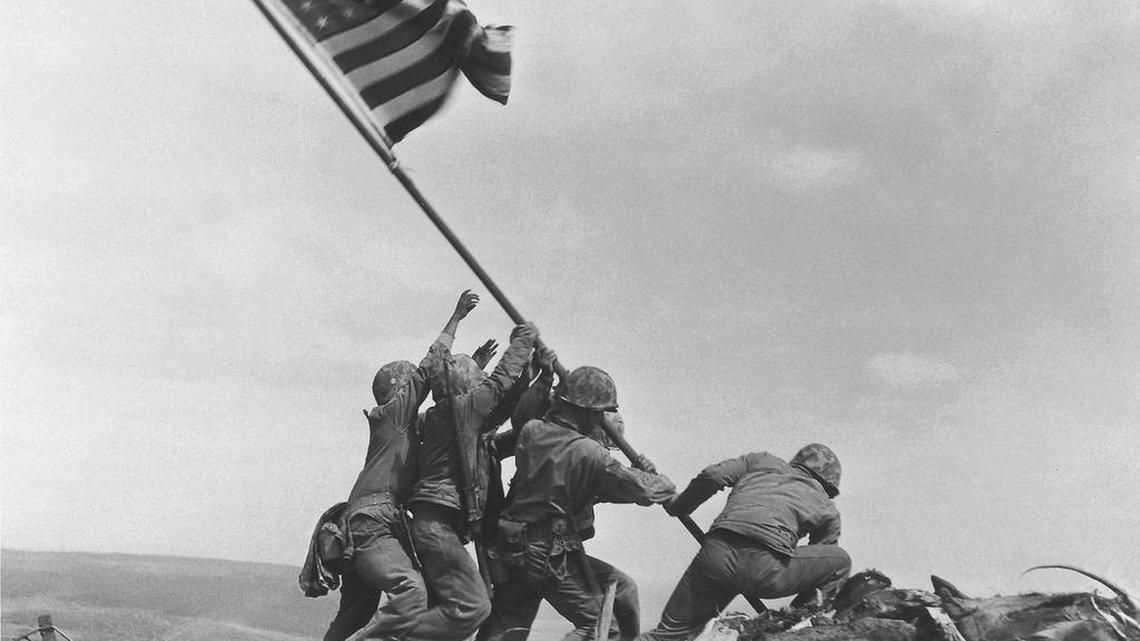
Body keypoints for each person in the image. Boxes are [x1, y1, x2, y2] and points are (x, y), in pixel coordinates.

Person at [322, 290, 480, 641]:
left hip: (373, 523)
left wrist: (471, 371)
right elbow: (428, 369)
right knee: (413, 591)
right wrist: (455, 320)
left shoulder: (403, 429)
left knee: (356, 613)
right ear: (399, 391)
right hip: (372, 524)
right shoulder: (392, 416)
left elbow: (451, 409)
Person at [478, 366, 677, 641]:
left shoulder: (533, 432)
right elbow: (644, 490)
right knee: (600, 628)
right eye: (598, 412)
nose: (600, 419)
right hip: (550, 553)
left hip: (513, 548)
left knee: (506, 628)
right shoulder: (589, 453)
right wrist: (657, 479)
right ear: (587, 411)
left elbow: (604, 487)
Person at [402, 320, 543, 641]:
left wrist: (528, 379)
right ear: (466, 387)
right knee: (474, 607)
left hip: (439, 526)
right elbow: (497, 386)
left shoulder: (450, 417)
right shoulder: (463, 410)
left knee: (446, 611)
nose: (482, 387)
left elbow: (499, 409)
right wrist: (523, 341)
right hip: (439, 526)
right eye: (477, 381)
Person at [637, 444, 851, 641]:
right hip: (766, 569)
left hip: (715, 556)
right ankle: (798, 627)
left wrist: (680, 506)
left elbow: (713, 476)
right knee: (840, 561)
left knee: (666, 636)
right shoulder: (827, 508)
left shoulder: (761, 461)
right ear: (829, 486)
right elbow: (819, 562)